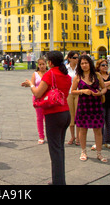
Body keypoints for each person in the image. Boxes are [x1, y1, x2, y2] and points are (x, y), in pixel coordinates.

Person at [22, 51, 71, 185]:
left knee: (55, 151)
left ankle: (58, 182)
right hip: (66, 113)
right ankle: (59, 180)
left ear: (50, 62)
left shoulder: (51, 74)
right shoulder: (66, 75)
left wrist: (31, 85)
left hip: (54, 114)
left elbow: (38, 93)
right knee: (59, 148)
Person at [70, 55, 108, 163]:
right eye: (82, 63)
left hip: (96, 105)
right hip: (83, 106)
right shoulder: (77, 77)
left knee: (98, 130)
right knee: (82, 130)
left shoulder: (97, 75)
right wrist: (83, 91)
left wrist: (100, 93)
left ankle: (99, 153)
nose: (84, 65)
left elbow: (104, 87)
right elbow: (72, 91)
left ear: (90, 63)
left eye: (86, 63)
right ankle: (83, 151)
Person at [96, 59, 110, 149]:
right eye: (103, 65)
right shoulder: (97, 75)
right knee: (101, 123)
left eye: (106, 65)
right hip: (101, 101)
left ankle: (109, 141)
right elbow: (97, 86)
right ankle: (100, 141)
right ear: (98, 66)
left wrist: (104, 86)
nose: (105, 67)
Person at [29, 57, 48, 144]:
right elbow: (32, 85)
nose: (42, 66)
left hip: (47, 98)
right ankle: (41, 136)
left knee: (47, 118)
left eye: (43, 64)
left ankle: (49, 135)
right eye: (40, 64)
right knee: (39, 117)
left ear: (46, 64)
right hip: (37, 98)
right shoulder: (35, 74)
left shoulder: (49, 73)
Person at [65, 51, 80, 145]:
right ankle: (72, 136)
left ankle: (78, 137)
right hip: (69, 93)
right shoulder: (66, 68)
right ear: (69, 58)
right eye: (74, 58)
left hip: (78, 92)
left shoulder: (80, 69)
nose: (76, 59)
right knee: (71, 115)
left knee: (78, 115)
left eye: (77, 57)